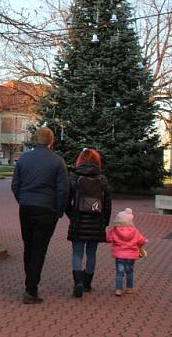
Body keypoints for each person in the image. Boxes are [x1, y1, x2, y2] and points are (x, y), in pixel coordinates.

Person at [11, 126, 68, 304]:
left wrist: (23, 200)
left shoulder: (23, 159)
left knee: (29, 245)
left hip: (27, 207)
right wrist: (59, 211)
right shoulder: (58, 162)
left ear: (36, 140)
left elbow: (15, 185)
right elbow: (63, 190)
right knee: (39, 249)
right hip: (46, 209)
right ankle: (31, 288)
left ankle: (30, 283)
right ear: (51, 141)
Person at [66, 148, 112, 298]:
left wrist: (71, 215)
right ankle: (87, 283)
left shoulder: (73, 177)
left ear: (80, 160)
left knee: (77, 253)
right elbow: (108, 203)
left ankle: (78, 282)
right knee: (92, 253)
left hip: (78, 221)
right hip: (97, 222)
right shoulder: (102, 179)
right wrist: (105, 221)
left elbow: (67, 200)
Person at [106, 208, 148, 297]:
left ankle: (118, 289)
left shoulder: (115, 230)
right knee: (129, 271)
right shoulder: (135, 231)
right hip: (131, 256)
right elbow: (141, 241)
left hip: (119, 256)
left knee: (119, 272)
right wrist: (144, 243)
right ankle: (129, 288)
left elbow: (108, 239)